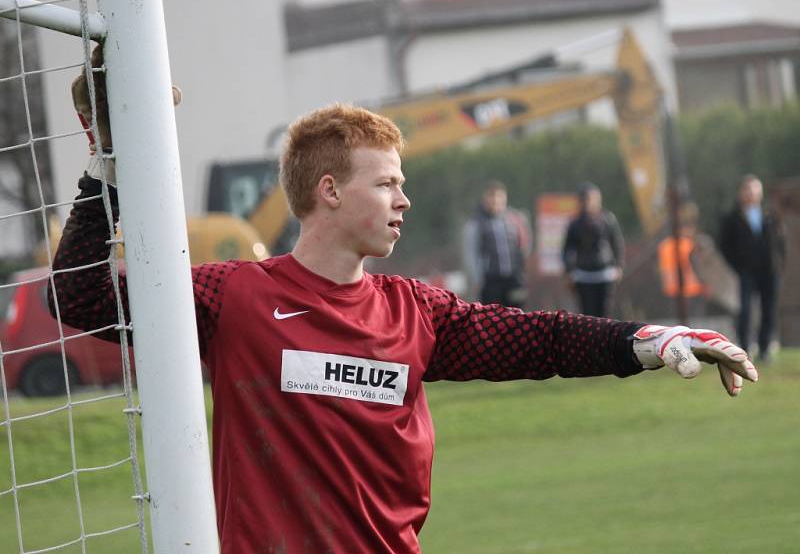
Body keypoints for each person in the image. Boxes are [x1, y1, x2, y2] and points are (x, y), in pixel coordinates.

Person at [51, 52, 757, 553]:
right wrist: (107, 161)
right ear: (329, 191)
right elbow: (80, 296)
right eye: (386, 182)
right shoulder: (233, 296)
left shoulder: (417, 313)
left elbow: (541, 337)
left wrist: (650, 339)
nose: (404, 199)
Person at [720, 174, 786, 361]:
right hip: (746, 272)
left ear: (760, 193)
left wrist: (779, 263)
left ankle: (765, 349)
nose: (750, 194)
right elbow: (725, 245)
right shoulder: (732, 218)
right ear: (741, 193)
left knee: (769, 309)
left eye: (754, 190)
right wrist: (737, 266)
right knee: (746, 311)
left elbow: (781, 242)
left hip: (769, 271)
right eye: (747, 190)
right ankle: (744, 349)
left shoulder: (770, 216)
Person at [462, 180, 532, 307]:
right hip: (490, 281)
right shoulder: (476, 223)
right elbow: (471, 253)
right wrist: (477, 278)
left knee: (517, 316)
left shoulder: (516, 219)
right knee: (493, 319)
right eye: (491, 197)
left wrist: (522, 270)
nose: (495, 201)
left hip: (514, 278)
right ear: (485, 199)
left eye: (499, 197)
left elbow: (525, 244)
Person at [562, 182, 624, 317]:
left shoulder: (608, 219)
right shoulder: (575, 223)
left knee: (605, 314)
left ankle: (605, 338)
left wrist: (619, 265)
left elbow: (617, 243)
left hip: (605, 273)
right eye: (585, 199)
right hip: (584, 275)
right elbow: (567, 249)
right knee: (588, 315)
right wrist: (568, 271)